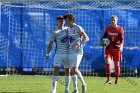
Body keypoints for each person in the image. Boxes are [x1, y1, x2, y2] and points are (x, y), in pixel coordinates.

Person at [63, 13, 89, 93]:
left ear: (72, 20)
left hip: (78, 52)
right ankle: (75, 89)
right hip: (70, 52)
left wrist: (79, 43)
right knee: (71, 71)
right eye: (65, 21)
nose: (66, 22)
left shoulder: (78, 28)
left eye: (67, 20)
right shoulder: (67, 29)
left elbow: (87, 38)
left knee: (74, 69)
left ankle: (84, 84)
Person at [46, 16, 71, 93]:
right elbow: (50, 43)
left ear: (64, 22)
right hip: (58, 54)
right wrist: (47, 54)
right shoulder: (55, 32)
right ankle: (54, 89)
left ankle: (67, 89)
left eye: (62, 21)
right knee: (56, 70)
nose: (61, 22)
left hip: (67, 54)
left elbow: (74, 38)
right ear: (57, 22)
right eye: (59, 21)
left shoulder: (68, 29)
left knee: (68, 71)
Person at [100, 15, 124, 84]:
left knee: (117, 65)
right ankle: (109, 80)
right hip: (109, 48)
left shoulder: (120, 29)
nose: (113, 21)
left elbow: (122, 39)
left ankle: (116, 80)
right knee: (107, 63)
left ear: (117, 21)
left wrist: (121, 44)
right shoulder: (108, 28)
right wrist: (102, 41)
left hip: (117, 49)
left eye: (114, 20)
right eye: (112, 20)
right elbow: (104, 36)